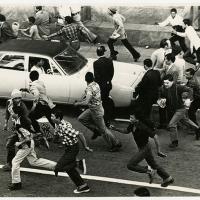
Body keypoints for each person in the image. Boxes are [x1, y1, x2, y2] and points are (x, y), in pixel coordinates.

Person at [110, 114, 174, 187]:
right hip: (143, 147)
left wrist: (158, 151)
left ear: (137, 119)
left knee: (130, 165)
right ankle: (168, 178)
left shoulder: (143, 127)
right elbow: (126, 131)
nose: (130, 119)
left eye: (132, 118)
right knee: (153, 164)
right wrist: (115, 128)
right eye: (130, 117)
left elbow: (155, 137)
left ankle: (149, 170)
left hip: (145, 148)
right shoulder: (132, 124)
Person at [75, 72, 121, 152]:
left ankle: (116, 143)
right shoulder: (95, 84)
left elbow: (86, 101)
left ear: (85, 79)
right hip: (95, 108)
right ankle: (96, 130)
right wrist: (81, 100)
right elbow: (86, 95)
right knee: (81, 118)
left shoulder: (89, 88)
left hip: (96, 111)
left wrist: (78, 103)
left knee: (104, 130)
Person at [51, 110, 91, 194]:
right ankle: (83, 186)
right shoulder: (57, 124)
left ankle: (78, 163)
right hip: (68, 148)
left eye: (52, 116)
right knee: (69, 168)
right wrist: (52, 138)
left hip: (73, 149)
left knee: (59, 168)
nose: (51, 118)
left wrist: (86, 146)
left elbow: (80, 134)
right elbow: (56, 134)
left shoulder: (65, 127)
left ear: (58, 118)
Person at [8, 124, 57, 190]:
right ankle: (55, 165)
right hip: (29, 145)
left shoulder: (20, 128)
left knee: (15, 161)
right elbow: (30, 135)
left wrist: (20, 143)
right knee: (33, 161)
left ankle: (16, 183)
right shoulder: (20, 128)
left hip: (26, 147)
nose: (12, 129)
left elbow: (28, 138)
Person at [159, 74, 200, 148]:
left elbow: (190, 90)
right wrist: (161, 99)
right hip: (172, 110)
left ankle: (175, 142)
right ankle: (198, 129)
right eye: (164, 83)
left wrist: (188, 99)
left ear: (172, 82)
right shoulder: (163, 88)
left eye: (167, 83)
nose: (165, 84)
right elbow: (161, 95)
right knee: (186, 121)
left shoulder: (178, 87)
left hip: (180, 109)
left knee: (171, 124)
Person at [2, 89, 32, 171]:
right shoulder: (9, 102)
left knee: (10, 144)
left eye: (19, 98)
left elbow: (26, 120)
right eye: (16, 98)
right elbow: (8, 112)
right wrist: (6, 123)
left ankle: (10, 164)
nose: (18, 100)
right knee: (32, 158)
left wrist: (20, 129)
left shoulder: (22, 107)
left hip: (23, 127)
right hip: (17, 126)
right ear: (12, 98)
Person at [23, 71, 56, 135]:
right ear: (38, 77)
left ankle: (38, 131)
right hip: (48, 103)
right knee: (50, 119)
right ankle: (60, 131)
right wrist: (27, 89)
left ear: (30, 78)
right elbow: (39, 90)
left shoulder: (32, 85)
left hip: (41, 105)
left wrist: (34, 106)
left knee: (30, 117)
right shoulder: (41, 83)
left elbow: (37, 94)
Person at [93, 45, 114, 127]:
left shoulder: (96, 63)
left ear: (97, 54)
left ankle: (102, 120)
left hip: (100, 86)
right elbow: (112, 73)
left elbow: (97, 76)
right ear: (104, 52)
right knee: (105, 101)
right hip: (107, 85)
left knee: (100, 103)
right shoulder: (109, 61)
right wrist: (108, 81)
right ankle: (107, 119)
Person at [185, 68, 200, 134]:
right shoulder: (192, 78)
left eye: (187, 74)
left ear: (191, 75)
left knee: (191, 113)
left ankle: (196, 129)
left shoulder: (192, 81)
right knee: (191, 113)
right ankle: (194, 128)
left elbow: (188, 89)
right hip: (196, 98)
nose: (185, 75)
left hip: (197, 99)